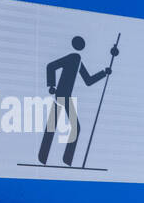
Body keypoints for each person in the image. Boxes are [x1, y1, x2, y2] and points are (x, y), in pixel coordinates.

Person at [37, 36, 111, 166]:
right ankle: (59, 159)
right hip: (61, 95)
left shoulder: (78, 60)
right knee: (72, 127)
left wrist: (104, 73)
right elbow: (51, 66)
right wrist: (51, 86)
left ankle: (50, 158)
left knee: (55, 126)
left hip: (65, 95)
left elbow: (88, 80)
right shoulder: (73, 57)